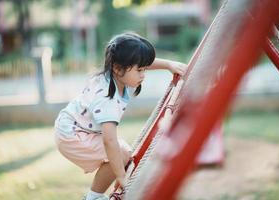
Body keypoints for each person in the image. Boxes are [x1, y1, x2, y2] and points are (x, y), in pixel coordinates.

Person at [54, 32, 187, 200]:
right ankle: (93, 197)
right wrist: (121, 177)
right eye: (140, 70)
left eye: (144, 69)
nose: (143, 74)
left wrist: (168, 64)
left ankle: (94, 195)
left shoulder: (115, 75)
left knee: (122, 152)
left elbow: (137, 62)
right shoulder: (107, 99)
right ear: (118, 68)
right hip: (71, 136)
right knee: (121, 153)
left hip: (70, 127)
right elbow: (109, 141)